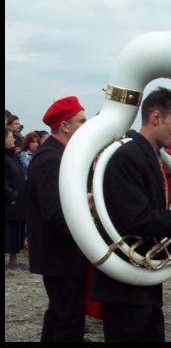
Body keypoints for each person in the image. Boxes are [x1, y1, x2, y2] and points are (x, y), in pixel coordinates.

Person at [90, 87, 171, 342]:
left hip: (140, 281)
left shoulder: (148, 154)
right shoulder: (128, 155)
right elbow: (138, 219)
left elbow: (150, 214)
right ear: (156, 117)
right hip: (125, 284)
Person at [23, 96, 88, 341]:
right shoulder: (52, 159)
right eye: (81, 121)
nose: (86, 125)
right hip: (60, 255)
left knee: (58, 314)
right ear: (65, 126)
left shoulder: (59, 154)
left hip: (61, 253)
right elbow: (55, 214)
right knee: (68, 320)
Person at [5, 128, 26, 269]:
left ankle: (13, 260)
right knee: (8, 230)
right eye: (11, 137)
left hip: (18, 202)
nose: (13, 139)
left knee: (16, 230)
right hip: (9, 201)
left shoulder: (12, 156)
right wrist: (12, 195)